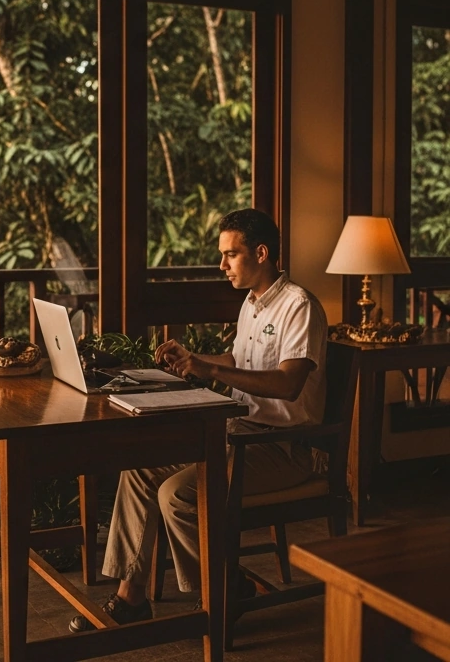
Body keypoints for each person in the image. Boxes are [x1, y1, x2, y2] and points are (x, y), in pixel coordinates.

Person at [69, 208, 328, 632]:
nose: (221, 265)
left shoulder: (298, 306)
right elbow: (239, 361)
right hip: (238, 434)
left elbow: (287, 384)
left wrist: (211, 371)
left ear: (261, 253)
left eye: (231, 254)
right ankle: (130, 597)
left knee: (177, 494)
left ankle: (224, 590)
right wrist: (194, 360)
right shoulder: (253, 303)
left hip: (282, 446)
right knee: (139, 470)